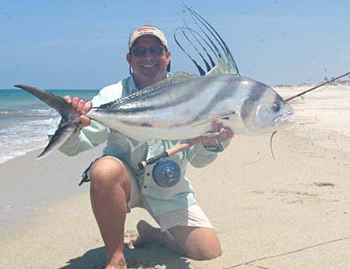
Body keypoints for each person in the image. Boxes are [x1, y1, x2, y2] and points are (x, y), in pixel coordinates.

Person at [49, 25, 234, 269]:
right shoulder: (113, 95)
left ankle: (153, 234)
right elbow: (74, 147)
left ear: (167, 56)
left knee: (207, 250)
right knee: (104, 170)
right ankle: (115, 257)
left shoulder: (191, 94)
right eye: (140, 51)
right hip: (124, 185)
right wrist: (71, 122)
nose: (148, 57)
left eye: (155, 50)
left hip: (169, 191)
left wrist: (212, 144)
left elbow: (198, 160)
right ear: (130, 59)